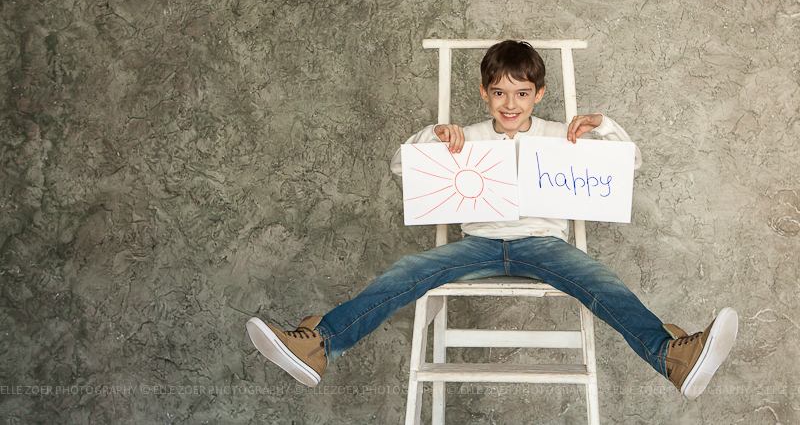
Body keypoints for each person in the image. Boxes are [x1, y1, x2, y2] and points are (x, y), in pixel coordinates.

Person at [246, 40, 738, 400]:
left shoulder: (561, 135)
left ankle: (672, 356)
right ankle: (318, 345)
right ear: (484, 93)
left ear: (539, 94)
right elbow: (400, 167)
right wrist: (434, 135)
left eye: (521, 94)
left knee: (602, 282)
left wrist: (604, 127)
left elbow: (629, 166)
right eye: (500, 93)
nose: (510, 104)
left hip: (543, 243)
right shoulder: (469, 135)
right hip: (478, 244)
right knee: (406, 271)